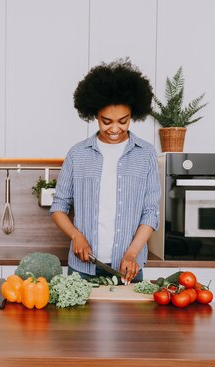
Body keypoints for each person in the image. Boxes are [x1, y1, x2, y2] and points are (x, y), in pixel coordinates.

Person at [50, 58, 160, 284]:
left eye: (123, 121)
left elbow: (150, 212)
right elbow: (59, 207)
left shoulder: (146, 154)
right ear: (94, 114)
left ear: (133, 114)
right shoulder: (77, 154)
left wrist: (132, 253)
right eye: (106, 121)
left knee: (129, 321)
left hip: (128, 267)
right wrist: (76, 236)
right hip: (82, 267)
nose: (115, 129)